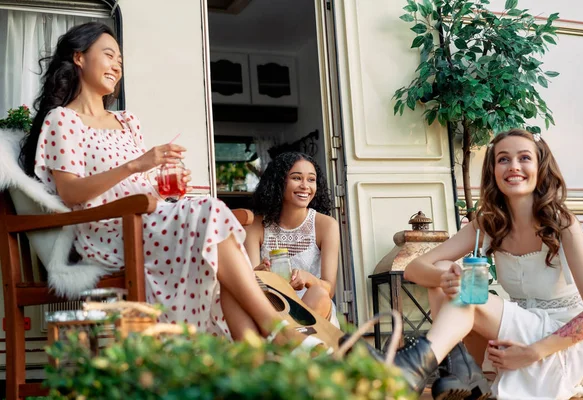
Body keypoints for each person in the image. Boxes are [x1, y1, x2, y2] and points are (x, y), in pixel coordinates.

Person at [19, 22, 306, 346]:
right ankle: (278, 331)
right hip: (110, 231)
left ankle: (254, 357)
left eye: (120, 61)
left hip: (150, 217)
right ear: (79, 58)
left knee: (216, 241)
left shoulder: (127, 121)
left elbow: (141, 186)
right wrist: (136, 164)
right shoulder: (63, 120)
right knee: (212, 219)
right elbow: (70, 192)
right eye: (108, 55)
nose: (116, 65)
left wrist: (163, 184)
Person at [388, 129, 583, 399]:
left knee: (469, 296)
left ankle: (416, 365)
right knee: (443, 270)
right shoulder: (489, 224)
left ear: (540, 167)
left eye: (524, 158)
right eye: (503, 159)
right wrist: (447, 279)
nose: (513, 166)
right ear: (493, 170)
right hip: (515, 328)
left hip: (563, 339)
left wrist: (533, 352)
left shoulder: (563, 225)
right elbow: (414, 269)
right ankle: (456, 367)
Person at [245, 152, 341, 328]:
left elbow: (330, 289)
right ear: (278, 182)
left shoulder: (326, 225)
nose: (305, 186)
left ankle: (295, 341)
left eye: (311, 180)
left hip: (315, 311)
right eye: (297, 178)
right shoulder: (256, 226)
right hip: (273, 310)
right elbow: (248, 286)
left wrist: (308, 278)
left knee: (319, 292)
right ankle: (290, 341)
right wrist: (259, 273)